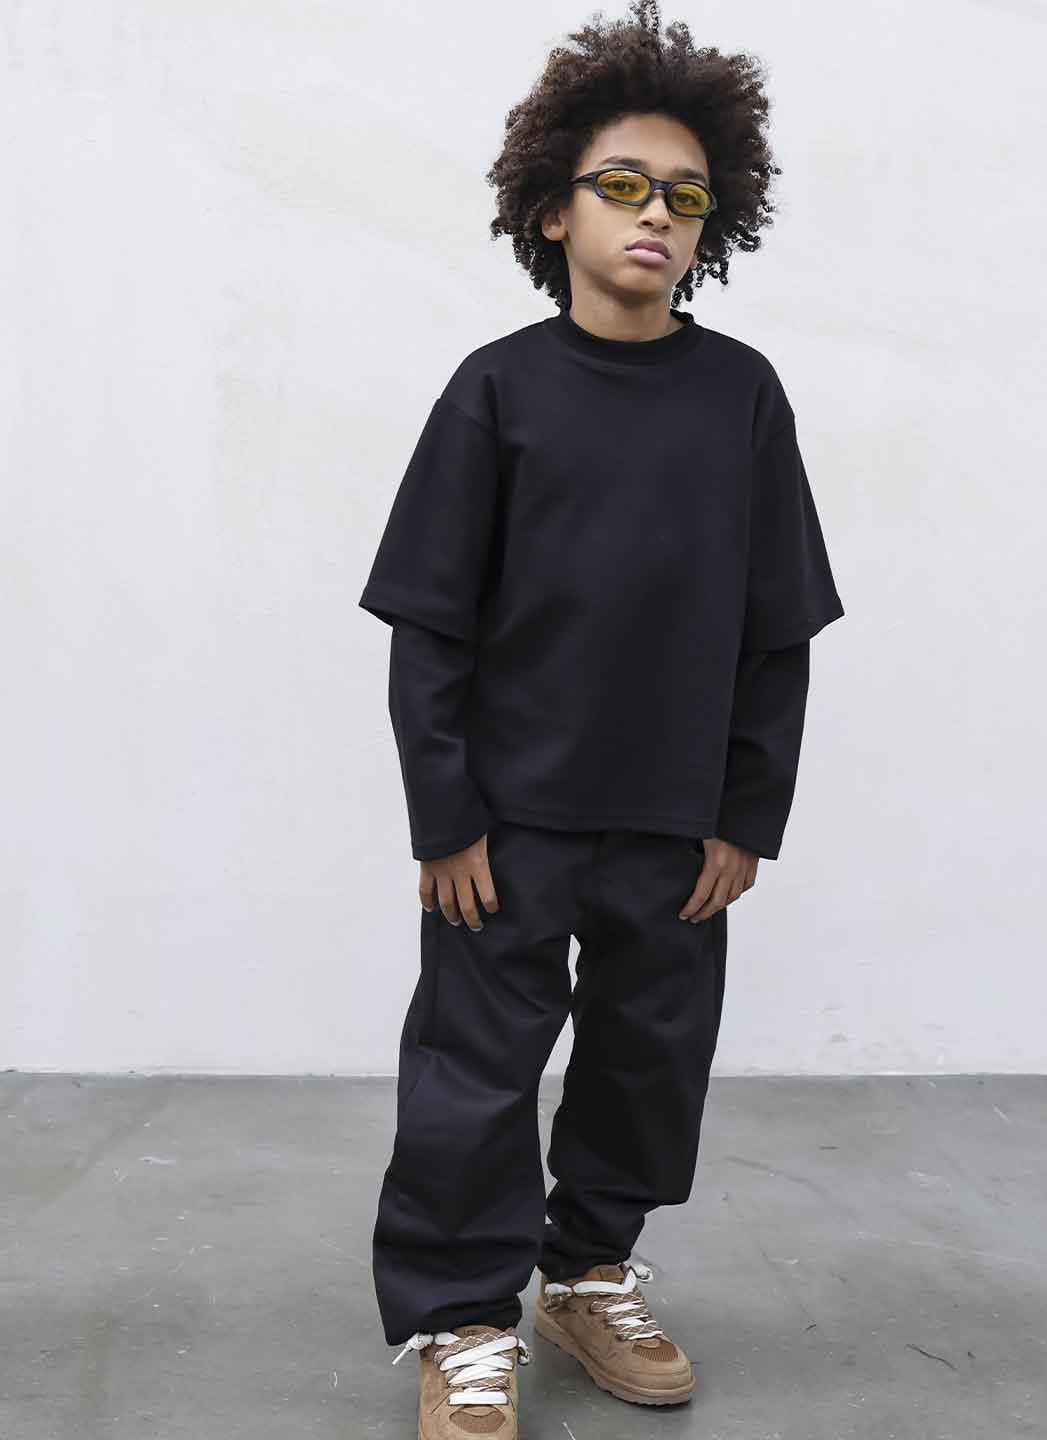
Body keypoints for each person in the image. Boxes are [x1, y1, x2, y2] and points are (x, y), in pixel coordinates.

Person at [358, 2, 845, 1434]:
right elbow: (429, 627)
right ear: (553, 207)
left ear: (716, 221)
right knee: (473, 1076)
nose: (656, 215)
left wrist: (745, 815)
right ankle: (462, 1317)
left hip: (674, 827)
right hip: (506, 827)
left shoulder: (741, 396)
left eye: (685, 195)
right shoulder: (496, 391)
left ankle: (585, 1274)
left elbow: (777, 629)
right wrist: (444, 814)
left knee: (647, 1066)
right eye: (624, 184)